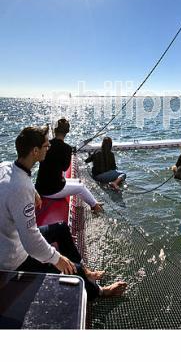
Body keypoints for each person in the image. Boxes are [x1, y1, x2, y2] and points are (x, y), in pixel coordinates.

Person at [0, 126, 127, 300]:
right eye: (46, 146)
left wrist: (33, 191)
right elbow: (30, 242)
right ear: (35, 151)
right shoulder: (20, 188)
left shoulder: (6, 167)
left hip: (9, 238)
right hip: (13, 258)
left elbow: (19, 182)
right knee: (67, 267)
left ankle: (85, 270)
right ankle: (100, 292)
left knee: (60, 228)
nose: (49, 148)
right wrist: (57, 259)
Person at [36, 118, 103, 214]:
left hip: (41, 187)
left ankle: (94, 203)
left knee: (78, 182)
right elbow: (65, 168)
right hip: (51, 191)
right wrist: (69, 154)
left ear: (54, 130)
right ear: (67, 132)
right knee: (80, 188)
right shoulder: (67, 148)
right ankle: (95, 207)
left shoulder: (46, 144)